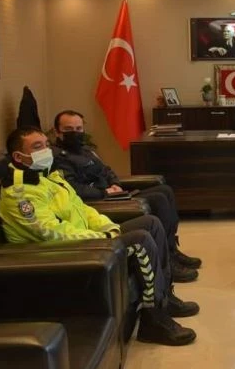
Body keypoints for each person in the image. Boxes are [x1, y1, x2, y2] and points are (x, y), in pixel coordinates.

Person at [0, 126, 200, 346]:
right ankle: (154, 321)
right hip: (61, 252)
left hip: (88, 239)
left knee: (151, 223)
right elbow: (50, 232)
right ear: (18, 156)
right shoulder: (19, 192)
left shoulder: (48, 177)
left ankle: (164, 299)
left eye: (47, 145)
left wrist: (108, 227)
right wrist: (100, 236)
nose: (46, 151)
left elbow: (83, 210)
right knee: (140, 240)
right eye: (37, 147)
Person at [50, 110, 201, 283]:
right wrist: (104, 192)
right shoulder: (58, 157)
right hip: (98, 200)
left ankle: (171, 250)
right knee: (158, 199)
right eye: (69, 129)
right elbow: (73, 188)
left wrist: (115, 183)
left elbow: (106, 170)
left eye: (79, 128)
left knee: (164, 190)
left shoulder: (86, 150)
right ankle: (168, 263)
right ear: (57, 132)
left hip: (112, 192)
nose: (75, 133)